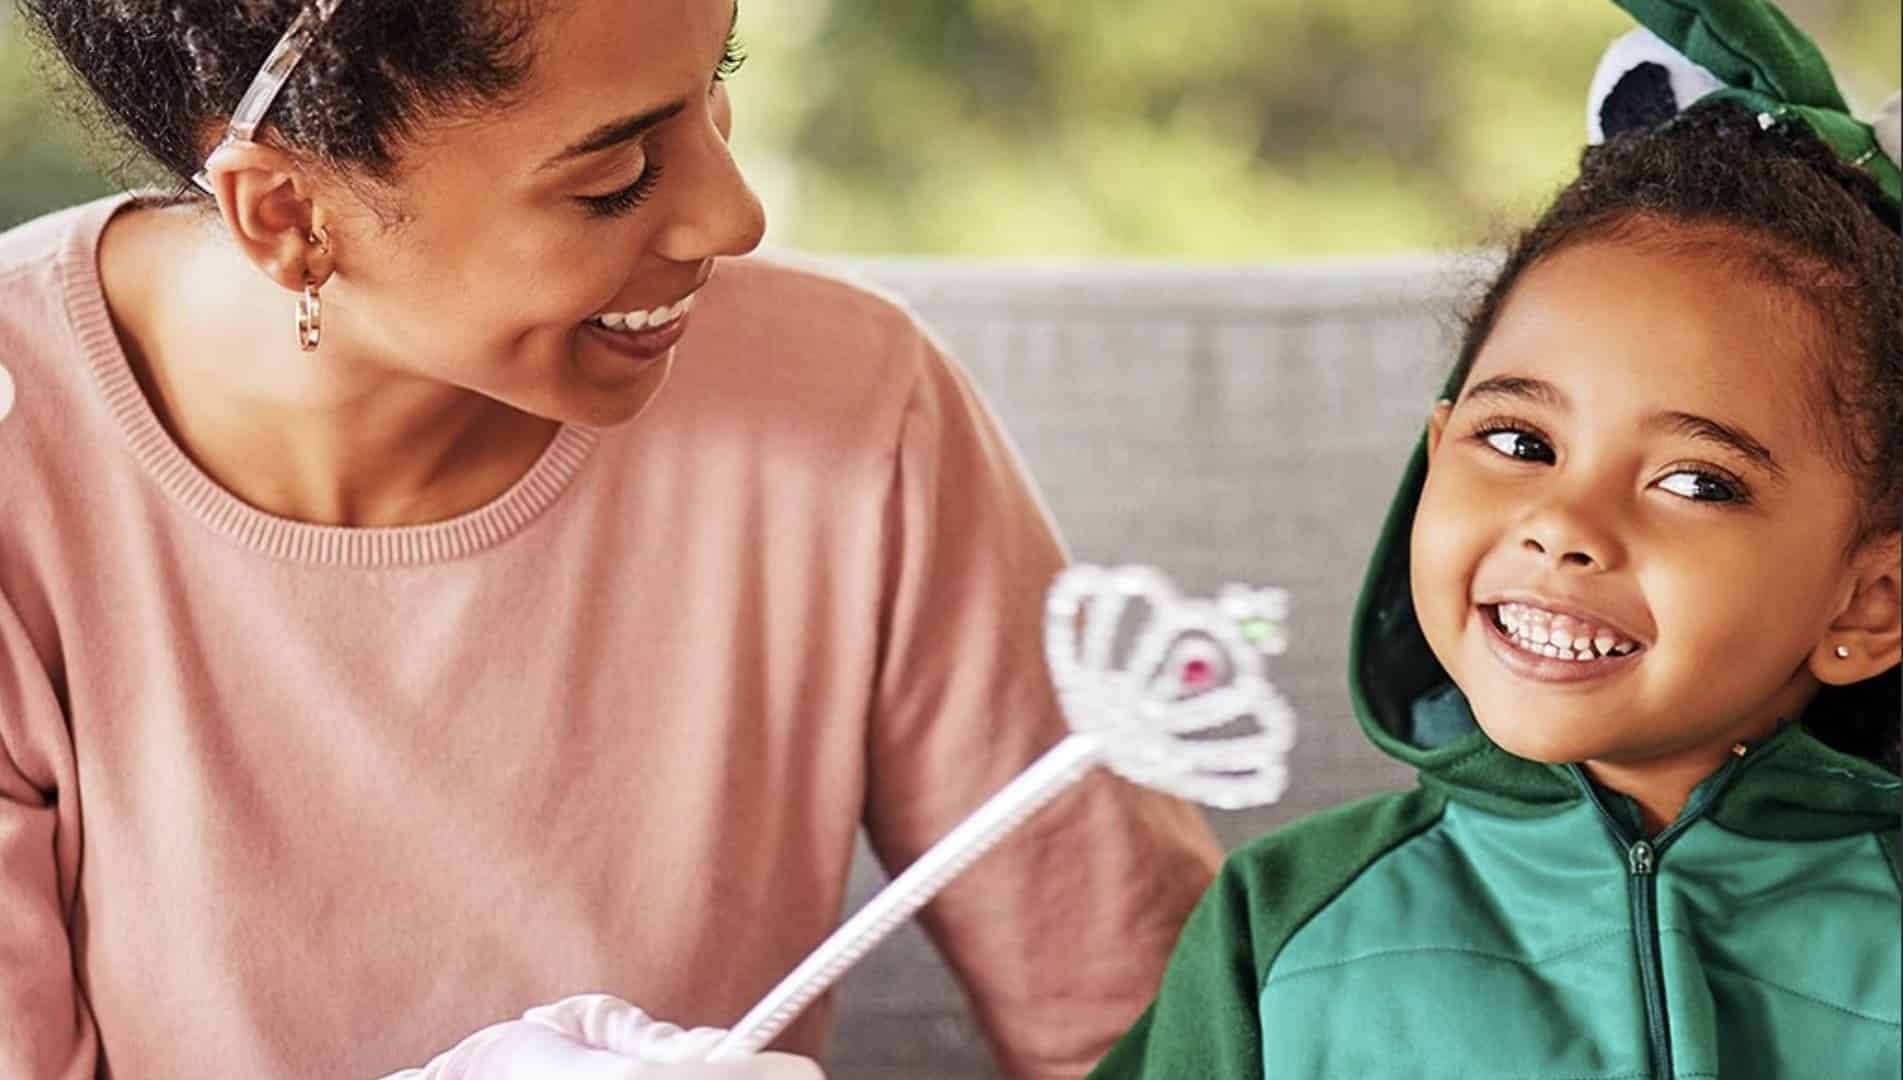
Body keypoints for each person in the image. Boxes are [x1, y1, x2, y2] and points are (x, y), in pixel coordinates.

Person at [0, 1, 1224, 1076]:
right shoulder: (25, 472)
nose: (732, 217)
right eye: (615, 175)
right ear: (287, 218)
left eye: (717, 84)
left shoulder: (848, 408)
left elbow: (1146, 1030)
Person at [1088, 1, 1901, 1076]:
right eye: (1518, 439)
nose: (1563, 525)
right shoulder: (1280, 924)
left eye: (1695, 480)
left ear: (1867, 603)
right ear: (1435, 451)